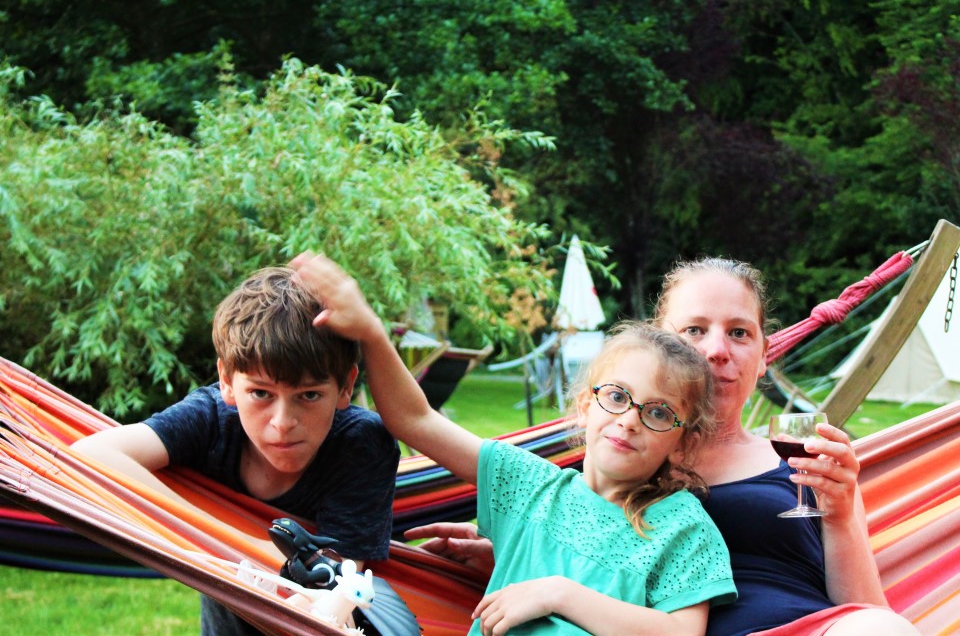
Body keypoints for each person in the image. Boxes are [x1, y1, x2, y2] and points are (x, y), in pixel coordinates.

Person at [406, 257, 920, 636]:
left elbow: (867, 611)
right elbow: (582, 541)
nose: (717, 350)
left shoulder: (808, 469)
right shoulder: (617, 445)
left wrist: (838, 511)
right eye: (695, 329)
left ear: (765, 355)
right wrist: (511, 553)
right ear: (660, 344)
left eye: (740, 333)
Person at [290, 251, 737, 636]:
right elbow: (416, 420)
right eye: (617, 396)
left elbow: (681, 631)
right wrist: (370, 332)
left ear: (682, 443)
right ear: (585, 406)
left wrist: (557, 593)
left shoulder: (682, 527)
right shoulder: (529, 487)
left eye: (658, 412)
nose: (630, 420)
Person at [72, 266, 400, 636]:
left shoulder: (360, 444)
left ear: (345, 387)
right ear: (227, 382)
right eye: (261, 393)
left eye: (308, 395)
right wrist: (232, 540)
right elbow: (89, 456)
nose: (282, 421)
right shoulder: (213, 417)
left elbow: (333, 585)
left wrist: (230, 551)